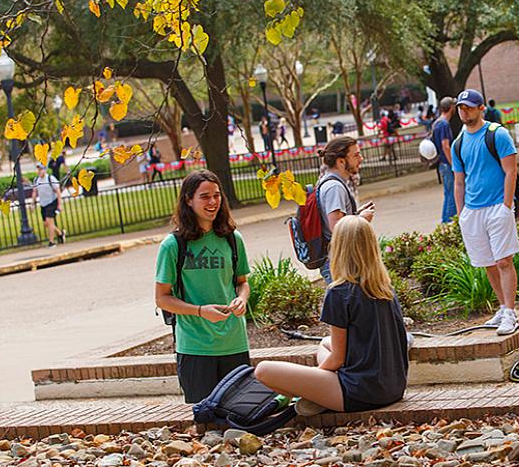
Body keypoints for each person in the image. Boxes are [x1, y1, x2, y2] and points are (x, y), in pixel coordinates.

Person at [255, 216, 409, 416]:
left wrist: (313, 380)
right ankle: (320, 396)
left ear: (338, 247)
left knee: (263, 370)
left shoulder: (340, 292)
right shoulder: (384, 287)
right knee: (325, 343)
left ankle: (316, 397)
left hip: (360, 393)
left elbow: (337, 359)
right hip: (394, 388)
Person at [155, 170, 251, 403]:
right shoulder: (172, 245)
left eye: (216, 195)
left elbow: (242, 282)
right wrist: (200, 311)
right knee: (205, 416)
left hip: (234, 342)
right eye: (205, 196)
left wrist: (242, 299)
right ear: (188, 200)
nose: (213, 202)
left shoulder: (233, 238)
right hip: (194, 347)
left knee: (239, 412)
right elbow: (162, 298)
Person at [452, 89, 519, 335]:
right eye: (461, 108)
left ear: (481, 108)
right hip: (473, 210)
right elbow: (459, 181)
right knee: (488, 263)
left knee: (503, 260)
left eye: (469, 107)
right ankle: (502, 307)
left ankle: (510, 312)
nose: (464, 112)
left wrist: (506, 205)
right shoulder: (458, 142)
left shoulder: (497, 134)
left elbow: (511, 171)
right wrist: (461, 214)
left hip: (497, 205)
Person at [316, 136, 376, 284]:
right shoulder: (334, 187)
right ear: (341, 161)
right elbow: (338, 228)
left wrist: (356, 214)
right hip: (340, 263)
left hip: (340, 261)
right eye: (356, 155)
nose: (361, 159)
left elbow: (340, 220)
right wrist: (361, 219)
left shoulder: (334, 183)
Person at [432, 97, 457, 223]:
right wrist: (453, 164)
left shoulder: (437, 123)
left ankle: (445, 219)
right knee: (452, 192)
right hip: (446, 163)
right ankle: (449, 220)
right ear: (451, 107)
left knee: (448, 192)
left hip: (441, 163)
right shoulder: (444, 124)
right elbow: (445, 146)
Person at [31, 163, 65, 248]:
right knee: (46, 223)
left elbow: (58, 191)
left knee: (50, 221)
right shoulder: (36, 180)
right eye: (38, 169)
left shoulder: (50, 178)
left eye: (41, 169)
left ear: (45, 170)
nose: (39, 171)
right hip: (43, 204)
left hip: (51, 202)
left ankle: (51, 242)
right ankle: (60, 234)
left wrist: (60, 204)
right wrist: (33, 203)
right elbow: (35, 192)